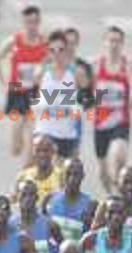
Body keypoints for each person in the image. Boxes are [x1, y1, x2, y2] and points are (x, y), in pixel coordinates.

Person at [92, 26, 132, 194]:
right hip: (100, 123)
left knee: (117, 156)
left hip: (121, 122)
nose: (113, 44)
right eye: (110, 40)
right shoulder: (95, 64)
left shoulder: (129, 64)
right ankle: (111, 195)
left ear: (122, 43)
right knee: (103, 170)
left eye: (117, 41)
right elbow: (83, 85)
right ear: (104, 42)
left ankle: (120, 197)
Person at [0, 4, 47, 165]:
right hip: (17, 92)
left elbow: (53, 64)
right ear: (23, 23)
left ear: (39, 22)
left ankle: (27, 169)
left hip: (36, 93)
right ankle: (21, 151)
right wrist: (3, 84)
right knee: (16, 145)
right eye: (28, 22)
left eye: (35, 22)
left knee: (32, 139)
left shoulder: (45, 43)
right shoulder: (14, 40)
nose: (32, 26)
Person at [32, 30, 88, 160]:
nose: (57, 54)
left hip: (67, 133)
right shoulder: (40, 73)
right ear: (47, 51)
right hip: (45, 130)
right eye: (52, 50)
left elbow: (88, 97)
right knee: (50, 167)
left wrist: (78, 107)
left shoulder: (77, 73)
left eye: (61, 50)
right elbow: (33, 98)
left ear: (67, 50)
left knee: (65, 175)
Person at [45, 158, 97, 242]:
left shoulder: (91, 205)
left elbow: (94, 237)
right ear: (62, 175)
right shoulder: (49, 199)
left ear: (82, 176)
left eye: (76, 174)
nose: (71, 179)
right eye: (68, 174)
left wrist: (89, 223)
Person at [65, 27, 95, 157]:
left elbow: (89, 92)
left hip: (74, 113)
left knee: (73, 153)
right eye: (67, 42)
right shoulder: (51, 64)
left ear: (77, 43)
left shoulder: (83, 66)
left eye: (73, 43)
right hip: (52, 114)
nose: (70, 46)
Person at [16, 134, 64, 200]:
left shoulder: (61, 175)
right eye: (38, 150)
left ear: (53, 152)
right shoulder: (23, 175)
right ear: (33, 153)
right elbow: (16, 197)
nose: (42, 154)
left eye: (46, 150)